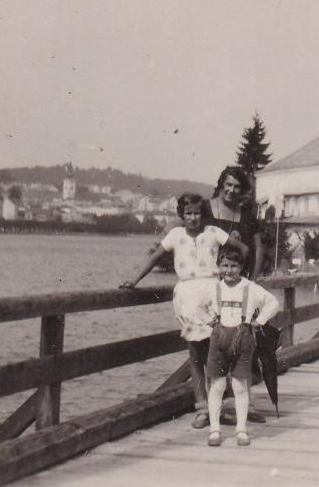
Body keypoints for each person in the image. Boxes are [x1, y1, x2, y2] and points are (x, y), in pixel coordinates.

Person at [119, 193, 252, 429]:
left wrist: (233, 275)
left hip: (214, 294)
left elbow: (242, 249)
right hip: (188, 297)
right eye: (188, 213)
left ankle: (218, 406)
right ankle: (202, 408)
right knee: (196, 352)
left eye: (197, 213)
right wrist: (134, 280)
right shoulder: (175, 235)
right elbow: (153, 258)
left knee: (219, 351)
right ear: (182, 214)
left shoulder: (213, 232)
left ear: (203, 214)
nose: (193, 218)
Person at [204, 244, 280, 447]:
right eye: (225, 265)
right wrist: (208, 320)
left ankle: (241, 429)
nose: (229, 271)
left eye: (234, 266)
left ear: (241, 267)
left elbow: (273, 303)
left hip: (243, 338)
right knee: (217, 386)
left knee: (239, 386)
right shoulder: (214, 288)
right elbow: (194, 307)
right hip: (219, 339)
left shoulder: (250, 288)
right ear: (219, 266)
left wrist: (259, 320)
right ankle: (214, 429)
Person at [206, 166, 264, 278]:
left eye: (237, 187)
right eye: (229, 184)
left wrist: (253, 280)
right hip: (207, 279)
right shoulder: (204, 209)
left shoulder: (247, 216)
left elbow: (259, 249)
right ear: (221, 184)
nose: (232, 190)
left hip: (236, 280)